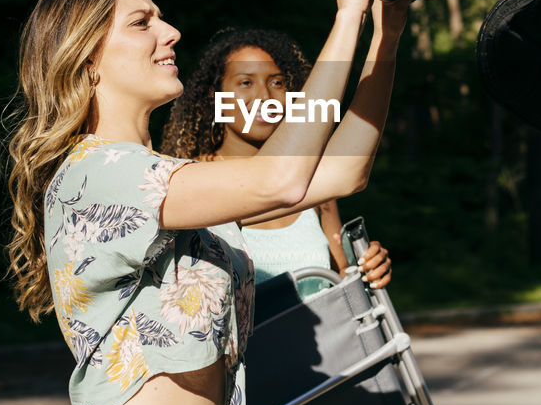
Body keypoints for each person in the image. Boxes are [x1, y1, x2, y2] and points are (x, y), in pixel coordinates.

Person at [3, 0, 413, 405]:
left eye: (161, 17)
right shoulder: (102, 174)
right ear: (87, 60)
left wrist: (386, 34)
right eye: (142, 22)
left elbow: (344, 171)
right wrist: (348, 11)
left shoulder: (166, 176)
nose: (170, 32)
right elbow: (282, 177)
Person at [160, 27, 394, 299]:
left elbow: (340, 276)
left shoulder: (307, 177)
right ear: (215, 98)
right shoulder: (191, 177)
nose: (265, 97)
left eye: (277, 83)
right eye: (246, 82)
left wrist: (367, 266)